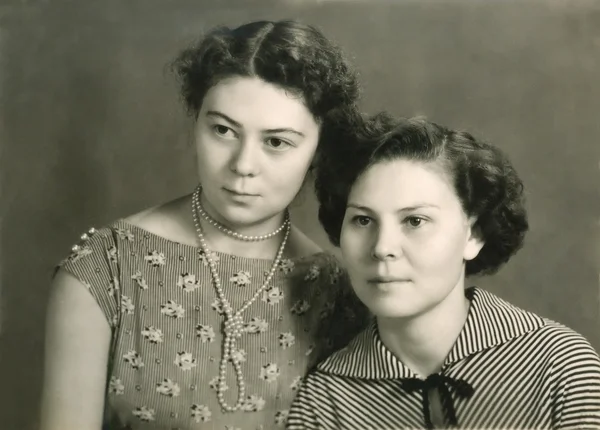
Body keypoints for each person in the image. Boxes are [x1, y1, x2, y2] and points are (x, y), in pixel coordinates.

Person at [40, 19, 369, 430]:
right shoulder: (106, 266)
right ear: (196, 123)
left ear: (318, 150)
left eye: (276, 142)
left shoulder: (339, 290)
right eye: (223, 130)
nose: (243, 166)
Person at [287, 113, 600, 429]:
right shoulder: (323, 401)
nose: (382, 247)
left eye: (415, 221)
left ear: (473, 235)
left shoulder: (559, 364)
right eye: (363, 220)